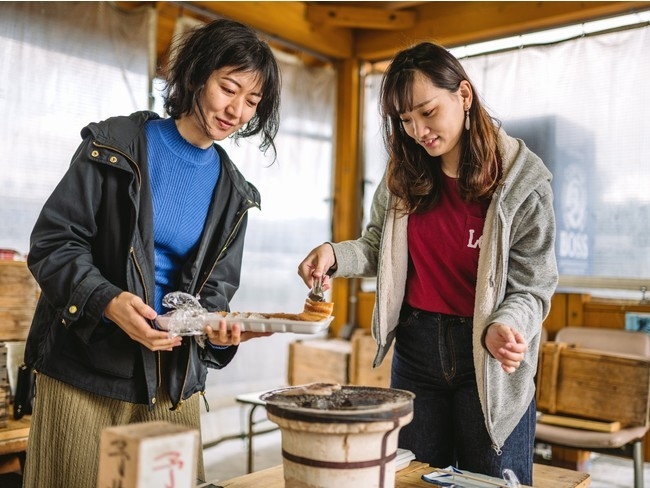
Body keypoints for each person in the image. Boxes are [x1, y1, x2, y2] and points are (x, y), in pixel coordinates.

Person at [22, 18, 281, 487]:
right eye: (229, 89)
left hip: (172, 384)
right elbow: (53, 244)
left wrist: (216, 335)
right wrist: (108, 302)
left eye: (253, 101)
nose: (238, 110)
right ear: (197, 74)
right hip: (86, 372)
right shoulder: (113, 145)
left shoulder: (234, 193)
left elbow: (214, 295)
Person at [298, 41, 557, 484]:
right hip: (417, 349)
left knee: (491, 480)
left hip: (488, 357)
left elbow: (533, 284)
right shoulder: (404, 173)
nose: (418, 130)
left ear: (464, 95)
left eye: (427, 111)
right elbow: (379, 246)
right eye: (405, 120)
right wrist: (336, 254)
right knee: (416, 476)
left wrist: (506, 324)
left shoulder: (522, 182)